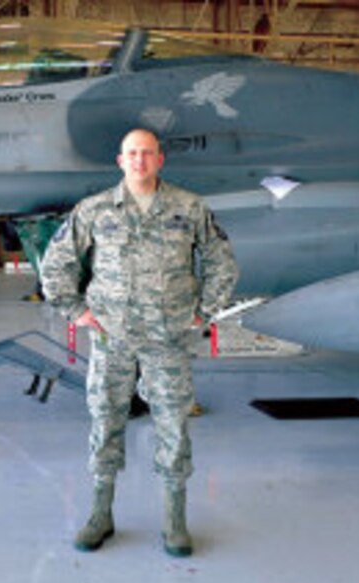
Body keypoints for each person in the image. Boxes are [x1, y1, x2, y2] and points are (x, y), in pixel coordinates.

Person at [40, 128, 238, 557]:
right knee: (105, 419)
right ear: (120, 160)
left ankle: (174, 521)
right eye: (132, 153)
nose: (140, 160)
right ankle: (101, 514)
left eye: (147, 153)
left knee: (173, 423)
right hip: (112, 338)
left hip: (168, 339)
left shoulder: (189, 207)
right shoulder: (94, 210)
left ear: (160, 160)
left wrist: (204, 310)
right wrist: (76, 311)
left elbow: (222, 262)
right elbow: (56, 263)